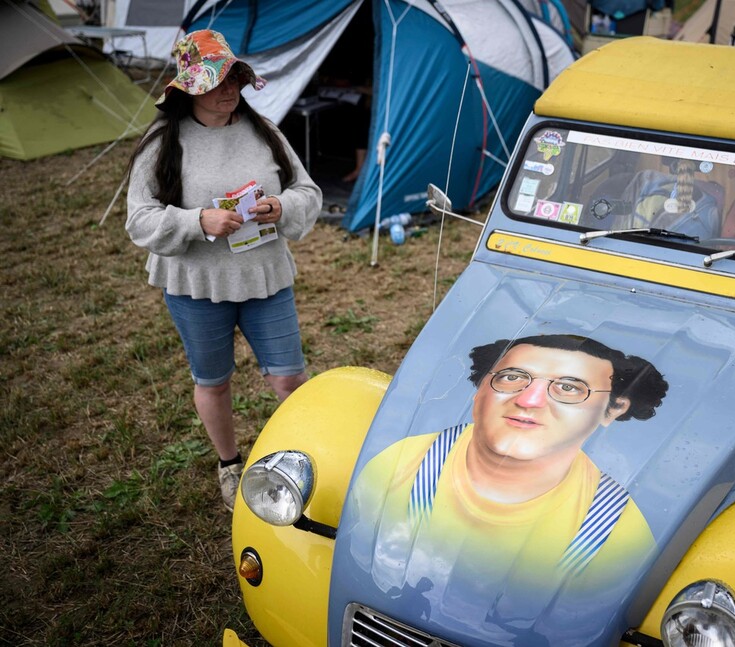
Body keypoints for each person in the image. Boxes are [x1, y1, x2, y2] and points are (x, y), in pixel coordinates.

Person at [343, 334, 668, 643]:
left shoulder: (618, 530)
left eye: (569, 387)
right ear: (480, 388)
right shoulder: (398, 466)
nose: (529, 400)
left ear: (612, 409)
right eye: (512, 377)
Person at [125, 30, 323, 512]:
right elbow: (139, 219)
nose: (228, 88)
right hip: (196, 284)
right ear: (188, 88)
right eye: (215, 80)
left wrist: (282, 205)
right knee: (213, 381)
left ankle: (305, 461)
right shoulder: (162, 142)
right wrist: (198, 221)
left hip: (265, 276)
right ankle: (230, 464)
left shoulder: (265, 131)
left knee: (289, 381)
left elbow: (308, 192)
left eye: (233, 76)